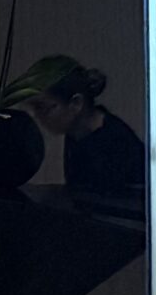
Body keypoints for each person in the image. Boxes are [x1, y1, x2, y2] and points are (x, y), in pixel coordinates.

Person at [25, 57, 146, 202]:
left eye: (42, 107)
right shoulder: (76, 132)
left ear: (76, 103)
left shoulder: (116, 143)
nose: (37, 116)